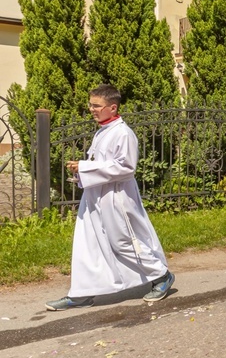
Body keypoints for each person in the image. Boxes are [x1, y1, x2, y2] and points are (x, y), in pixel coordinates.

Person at [46, 85, 174, 311]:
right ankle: (82, 293)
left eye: (96, 105)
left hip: (116, 198)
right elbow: (102, 163)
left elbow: (126, 168)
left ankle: (161, 276)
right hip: (95, 196)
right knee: (88, 244)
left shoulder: (123, 133)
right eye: (91, 104)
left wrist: (85, 167)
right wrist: (81, 173)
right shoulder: (103, 131)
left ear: (112, 108)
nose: (91, 109)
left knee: (122, 242)